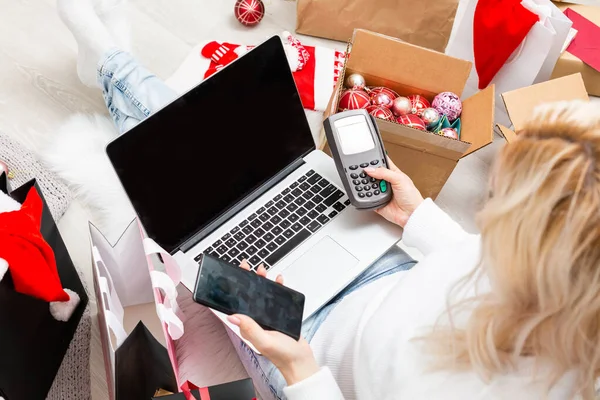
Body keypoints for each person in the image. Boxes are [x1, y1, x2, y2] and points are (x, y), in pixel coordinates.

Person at [58, 1, 600, 399]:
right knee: (238, 160)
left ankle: (111, 64)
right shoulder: (573, 275)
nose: (483, 213)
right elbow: (471, 260)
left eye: (496, 207)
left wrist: (297, 370)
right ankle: (113, 68)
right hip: (386, 266)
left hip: (311, 339)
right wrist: (419, 219)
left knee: (188, 190)